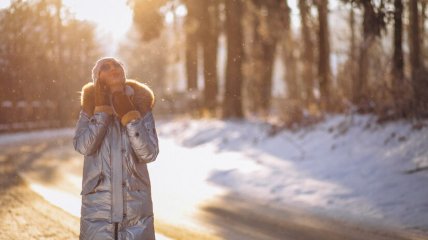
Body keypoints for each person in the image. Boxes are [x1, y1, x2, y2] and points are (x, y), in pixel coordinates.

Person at [73, 57, 159, 240]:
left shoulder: (140, 105)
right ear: (98, 77)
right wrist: (102, 112)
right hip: (98, 212)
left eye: (117, 65)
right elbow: (83, 146)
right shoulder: (89, 107)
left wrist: (130, 115)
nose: (114, 68)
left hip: (136, 211)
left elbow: (149, 153)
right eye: (106, 67)